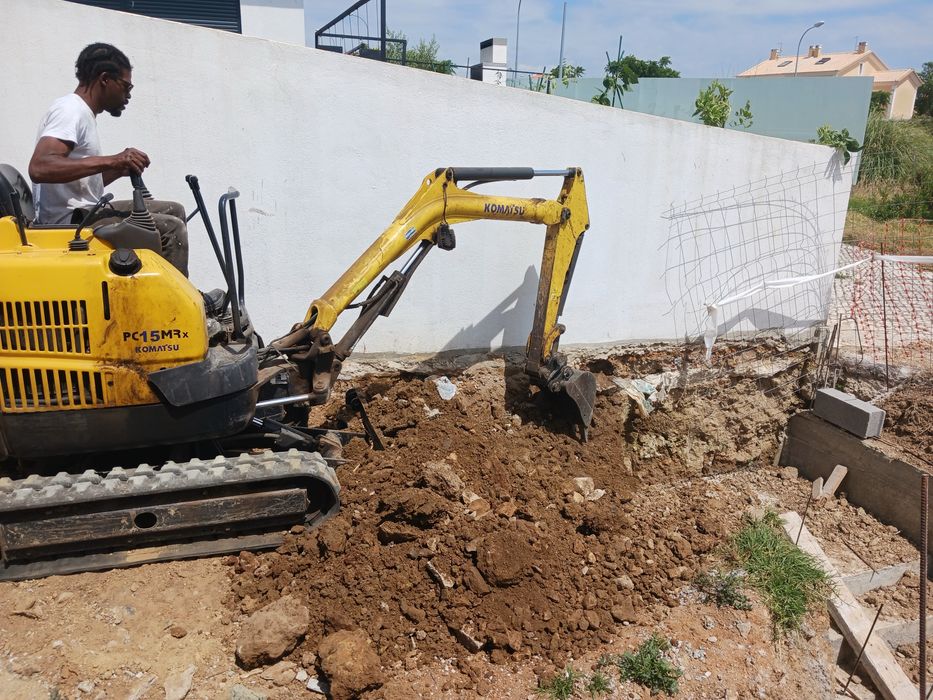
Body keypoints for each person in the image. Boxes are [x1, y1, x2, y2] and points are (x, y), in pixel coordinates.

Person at [28, 43, 189, 276]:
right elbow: (40, 167)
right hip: (71, 222)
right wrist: (113, 160)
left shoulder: (83, 114)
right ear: (105, 79)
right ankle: (173, 299)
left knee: (174, 210)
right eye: (126, 86)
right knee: (171, 229)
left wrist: (119, 168)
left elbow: (79, 184)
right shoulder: (71, 110)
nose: (129, 95)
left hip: (83, 212)